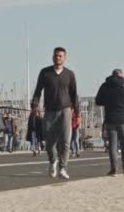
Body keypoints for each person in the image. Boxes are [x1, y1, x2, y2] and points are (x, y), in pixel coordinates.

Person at [31, 47, 79, 179]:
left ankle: (63, 168)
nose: (57, 58)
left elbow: (74, 95)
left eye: (60, 56)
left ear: (64, 58)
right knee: (49, 142)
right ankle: (53, 161)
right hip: (50, 111)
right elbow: (38, 91)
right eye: (56, 56)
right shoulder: (45, 73)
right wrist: (34, 105)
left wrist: (78, 113)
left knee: (65, 141)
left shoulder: (70, 74)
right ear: (52, 57)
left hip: (66, 110)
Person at [95, 69, 124, 177]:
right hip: (123, 119)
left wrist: (108, 101)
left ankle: (114, 170)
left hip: (110, 119)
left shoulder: (105, 86)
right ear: (121, 75)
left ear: (112, 75)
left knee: (112, 146)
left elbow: (98, 101)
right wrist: (123, 101)